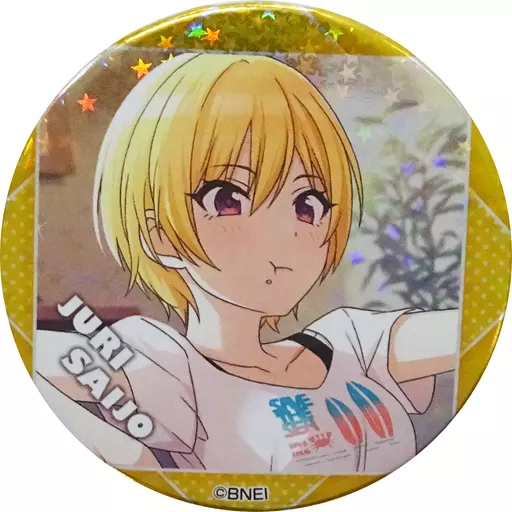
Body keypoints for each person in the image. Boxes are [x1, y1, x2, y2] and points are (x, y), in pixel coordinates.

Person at [36, 53, 459, 474]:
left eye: (308, 204)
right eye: (227, 199)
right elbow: (27, 357)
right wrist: (117, 449)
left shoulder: (355, 344)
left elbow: (478, 328)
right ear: (160, 235)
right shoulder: (166, 366)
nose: (286, 238)